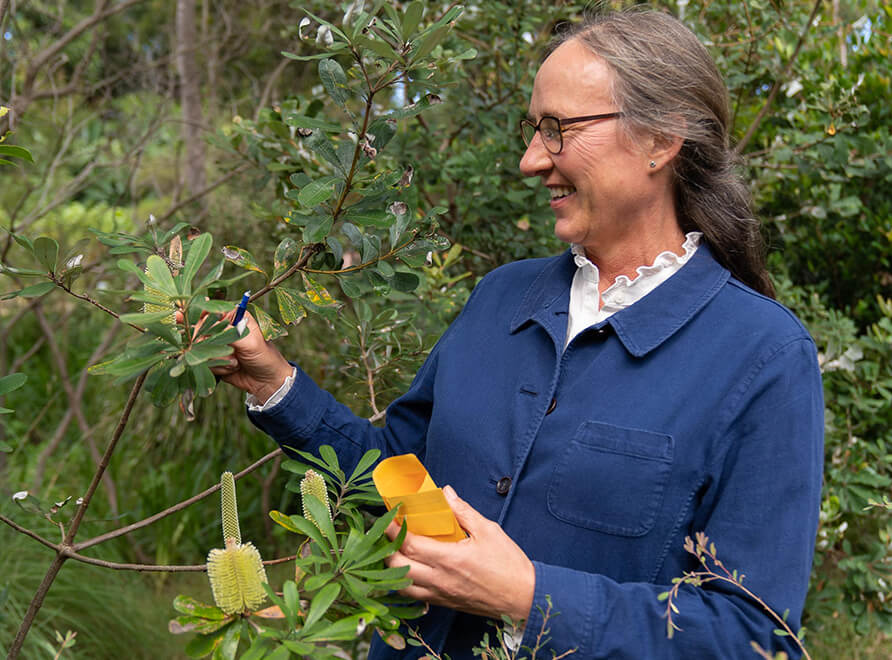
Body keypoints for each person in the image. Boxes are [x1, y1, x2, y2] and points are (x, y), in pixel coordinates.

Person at [215, 8, 823, 659]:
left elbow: (752, 636)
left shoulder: (764, 358)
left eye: (559, 129)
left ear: (660, 140)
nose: (533, 160)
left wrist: (529, 600)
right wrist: (275, 386)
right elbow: (401, 483)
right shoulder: (503, 296)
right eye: (535, 130)